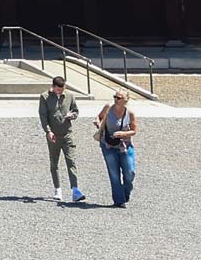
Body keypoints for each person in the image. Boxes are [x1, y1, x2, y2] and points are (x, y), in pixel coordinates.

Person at [39, 76, 86, 205]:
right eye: (58, 89)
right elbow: (43, 116)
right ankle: (57, 189)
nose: (61, 91)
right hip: (53, 135)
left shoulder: (69, 96)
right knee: (54, 162)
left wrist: (73, 115)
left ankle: (75, 190)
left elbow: (75, 110)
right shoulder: (45, 97)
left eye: (62, 88)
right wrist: (48, 131)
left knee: (71, 161)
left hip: (67, 134)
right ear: (53, 87)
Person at [96, 90, 140, 207]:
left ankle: (125, 193)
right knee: (114, 174)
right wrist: (98, 123)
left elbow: (134, 131)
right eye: (115, 97)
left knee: (130, 172)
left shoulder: (129, 113)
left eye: (119, 98)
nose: (116, 99)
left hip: (124, 146)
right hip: (108, 145)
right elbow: (99, 117)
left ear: (126, 100)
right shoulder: (108, 108)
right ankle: (119, 200)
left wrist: (123, 134)